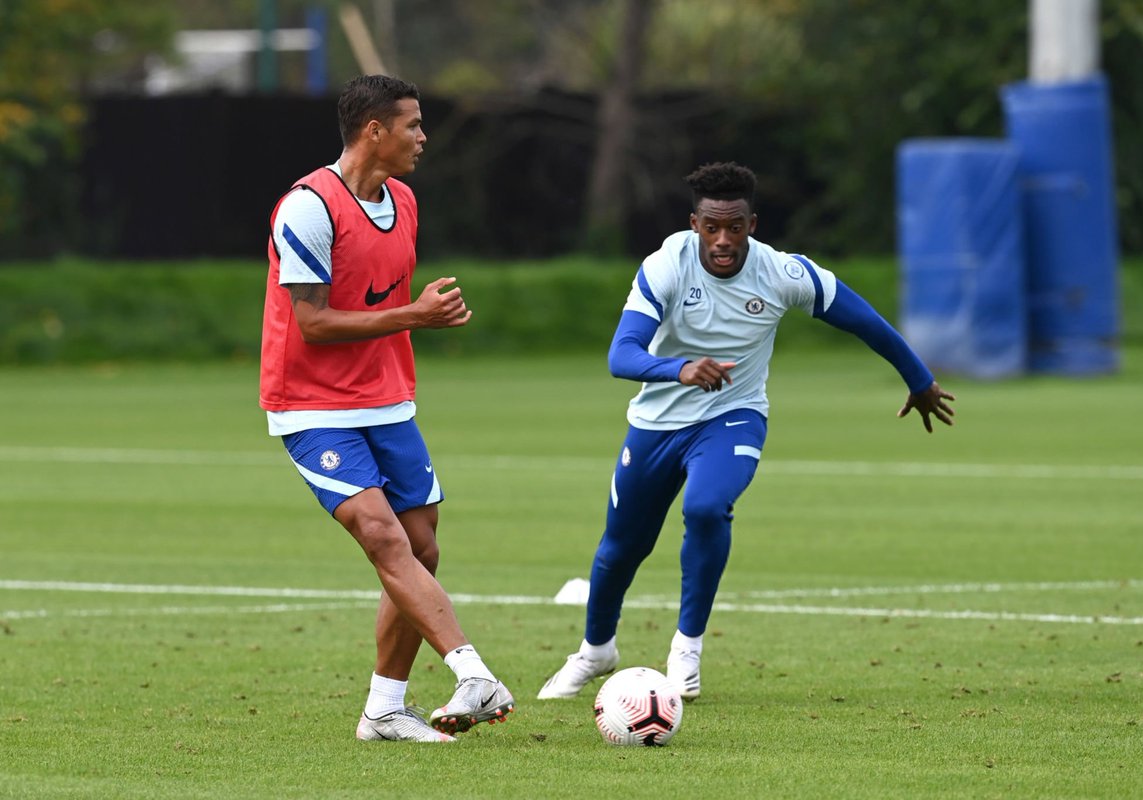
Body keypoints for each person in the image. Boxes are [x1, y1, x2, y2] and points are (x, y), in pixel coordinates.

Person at [538, 161, 955, 702]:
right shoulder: (666, 265)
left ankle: (686, 649)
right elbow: (622, 355)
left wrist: (918, 379)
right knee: (621, 549)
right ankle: (596, 652)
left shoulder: (784, 274)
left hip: (733, 417)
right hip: (657, 423)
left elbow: (866, 321)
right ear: (694, 223)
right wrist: (680, 368)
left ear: (752, 225)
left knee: (708, 508)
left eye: (734, 227)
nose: (723, 240)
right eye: (712, 227)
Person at [259, 75, 514, 742]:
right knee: (381, 536)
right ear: (375, 130)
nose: (423, 137)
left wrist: (412, 322)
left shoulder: (402, 199)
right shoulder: (308, 209)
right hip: (310, 406)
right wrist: (417, 316)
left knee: (421, 549)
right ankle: (472, 671)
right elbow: (312, 323)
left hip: (387, 401)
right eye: (413, 125)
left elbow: (375, 302)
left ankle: (384, 710)